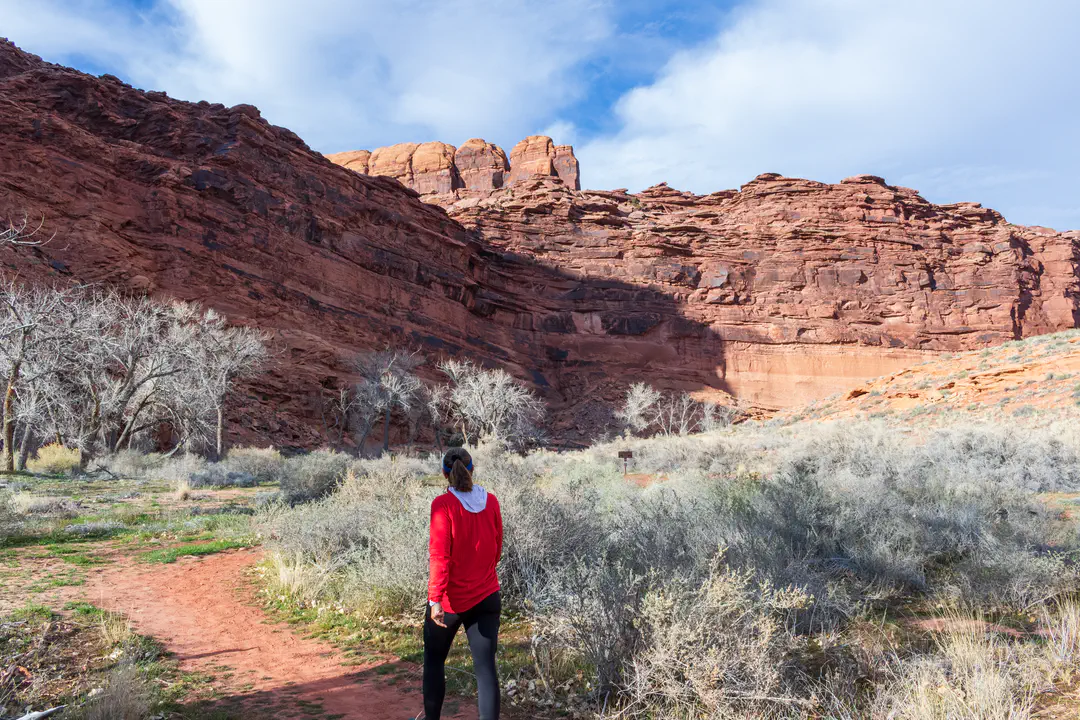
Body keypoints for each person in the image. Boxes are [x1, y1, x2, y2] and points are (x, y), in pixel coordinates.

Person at [423, 447, 503, 720]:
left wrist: (435, 599)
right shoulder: (490, 501)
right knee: (485, 670)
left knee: (434, 662)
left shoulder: (442, 505)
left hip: (450, 602)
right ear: (472, 469)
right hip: (487, 596)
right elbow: (497, 551)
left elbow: (440, 557)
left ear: (444, 474)